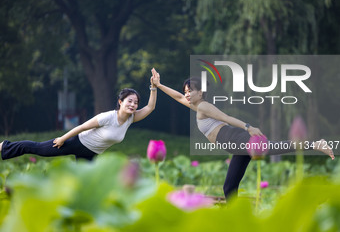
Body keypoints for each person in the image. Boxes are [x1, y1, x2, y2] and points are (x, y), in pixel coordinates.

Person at [150, 68, 334, 199]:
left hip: (235, 138)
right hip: (235, 146)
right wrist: (158, 85)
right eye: (186, 91)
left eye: (191, 91)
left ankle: (314, 144)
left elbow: (226, 117)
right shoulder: (197, 106)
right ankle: (237, 222)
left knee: (269, 149)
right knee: (229, 187)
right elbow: (178, 97)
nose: (187, 94)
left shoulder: (204, 106)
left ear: (201, 92)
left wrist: (249, 127)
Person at [0, 76, 157, 161]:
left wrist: (154, 87)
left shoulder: (130, 119)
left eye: (136, 103)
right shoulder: (108, 117)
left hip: (91, 154)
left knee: (86, 184)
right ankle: (4, 146)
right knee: (38, 148)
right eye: (129, 101)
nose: (133, 105)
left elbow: (150, 107)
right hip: (76, 143)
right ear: (120, 102)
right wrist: (62, 139)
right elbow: (82, 127)